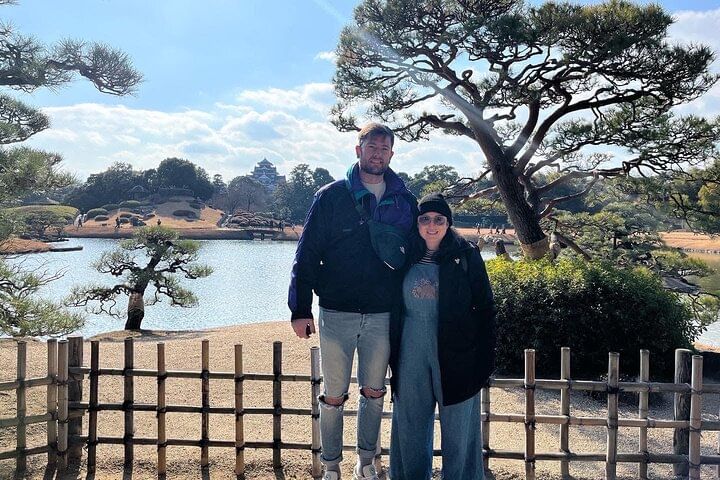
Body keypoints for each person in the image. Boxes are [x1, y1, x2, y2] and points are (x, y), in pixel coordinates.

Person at [288, 123, 417, 480]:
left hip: (382, 311)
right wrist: (300, 309)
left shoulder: (404, 199)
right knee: (333, 394)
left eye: (384, 148)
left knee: (374, 392)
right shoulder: (331, 196)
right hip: (335, 310)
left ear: (392, 154)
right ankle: (331, 465)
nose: (377, 154)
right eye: (371, 147)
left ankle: (366, 461)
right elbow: (307, 254)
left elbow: (415, 251)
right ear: (358, 150)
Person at [389, 193, 496, 480]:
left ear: (448, 223)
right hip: (410, 347)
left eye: (439, 219)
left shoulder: (466, 255)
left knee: (459, 429)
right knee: (410, 424)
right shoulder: (404, 255)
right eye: (425, 219)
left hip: (458, 351)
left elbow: (485, 308)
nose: (431, 225)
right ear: (417, 223)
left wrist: (485, 360)